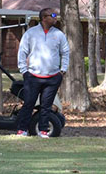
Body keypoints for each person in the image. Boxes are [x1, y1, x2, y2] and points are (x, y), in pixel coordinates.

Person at [16, 8, 69, 138]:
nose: (56, 17)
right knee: (28, 104)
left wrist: (63, 70)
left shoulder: (59, 34)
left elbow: (65, 52)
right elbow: (22, 52)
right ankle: (22, 130)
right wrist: (24, 70)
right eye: (53, 15)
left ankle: (43, 130)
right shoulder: (31, 33)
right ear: (44, 17)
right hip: (33, 76)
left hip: (52, 77)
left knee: (46, 106)